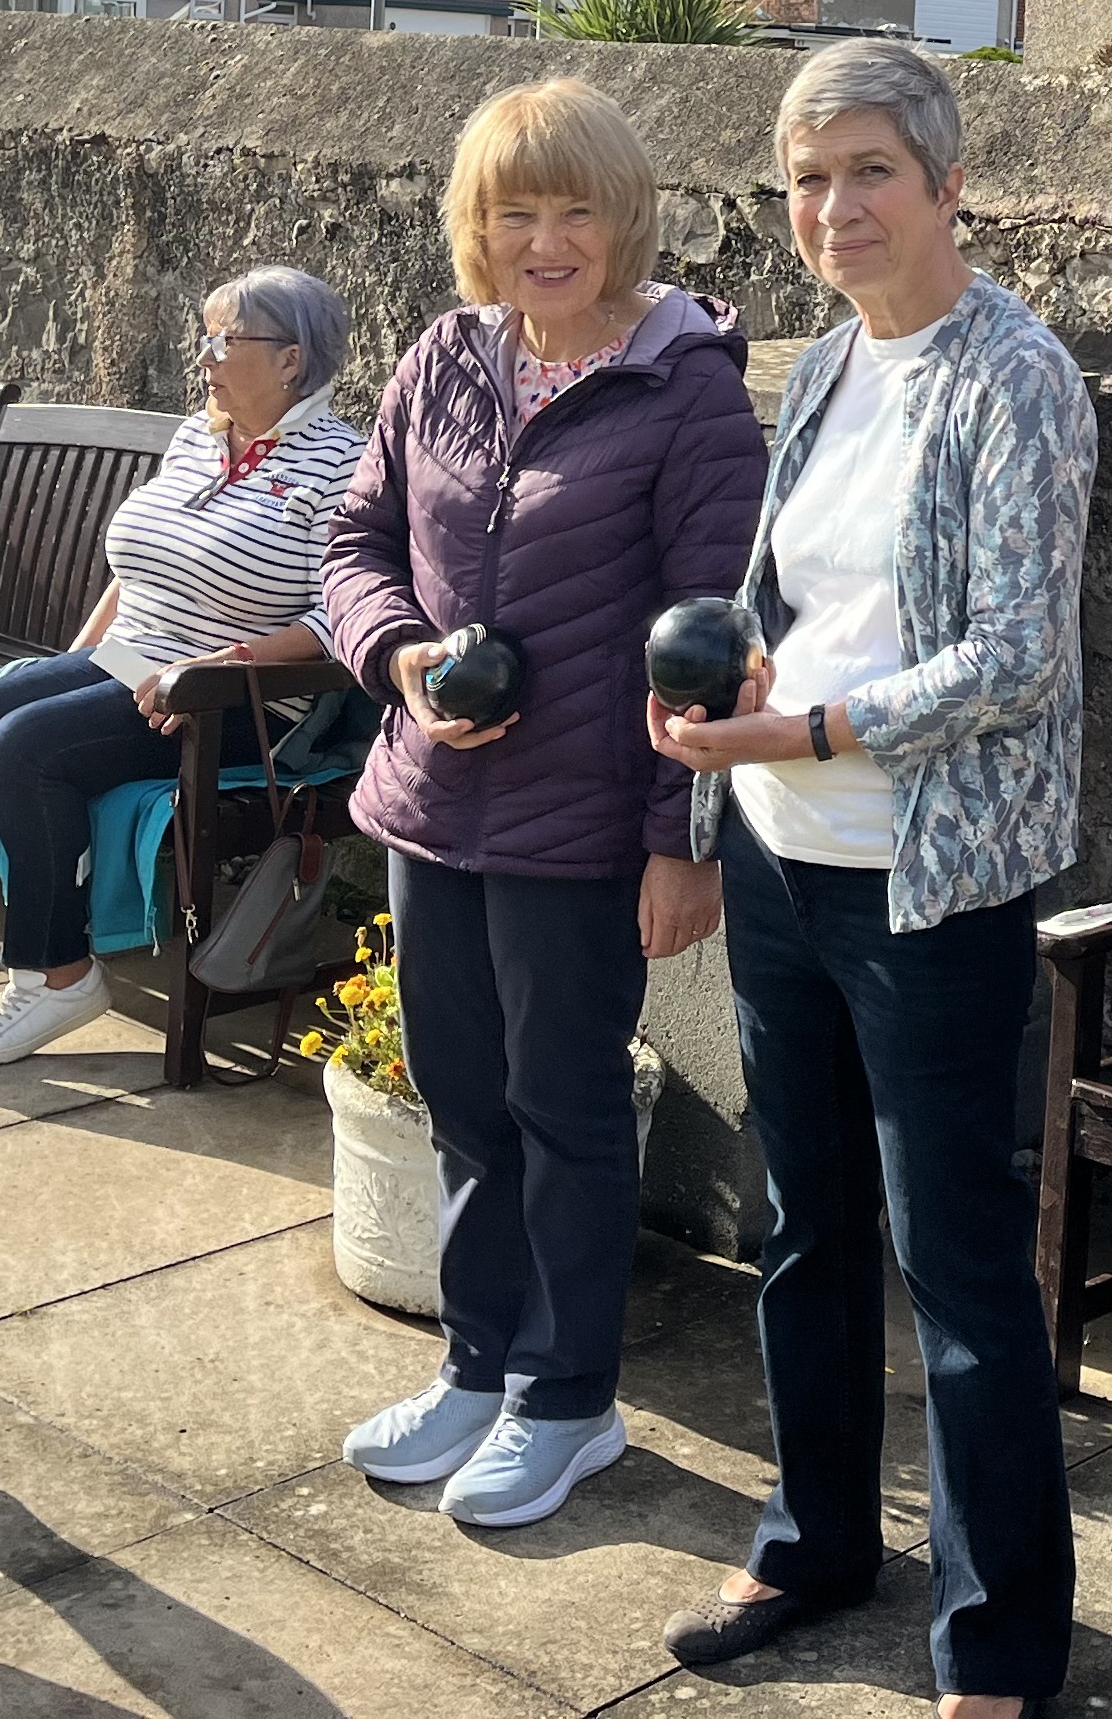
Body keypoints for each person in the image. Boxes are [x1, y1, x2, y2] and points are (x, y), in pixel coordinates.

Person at [645, 38, 1093, 1719]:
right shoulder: (829, 364)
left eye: (867, 172)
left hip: (930, 883)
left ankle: (997, 1643)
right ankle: (815, 1534)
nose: (832, 206)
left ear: (945, 180)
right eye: (805, 177)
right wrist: (715, 700)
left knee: (959, 1261)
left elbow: (1017, 658)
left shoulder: (1013, 374)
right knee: (803, 1223)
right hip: (782, 859)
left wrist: (806, 721)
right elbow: (787, 598)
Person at [324, 77, 766, 1530]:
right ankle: (479, 1368)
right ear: (479, 225)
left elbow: (716, 635)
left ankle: (572, 1402)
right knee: (461, 1097)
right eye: (517, 210)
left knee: (564, 1107)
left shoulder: (686, 387)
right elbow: (357, 541)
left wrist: (675, 843)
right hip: (434, 803)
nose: (548, 239)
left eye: (577, 209)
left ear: (625, 219)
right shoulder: (444, 359)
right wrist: (398, 658)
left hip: (586, 821)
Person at [0, 265, 364, 1069]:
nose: (203, 355)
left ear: (291, 361)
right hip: (130, 659)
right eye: (204, 336)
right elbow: (137, 567)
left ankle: (56, 975)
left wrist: (217, 666)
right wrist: (69, 663)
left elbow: (336, 614)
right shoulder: (198, 437)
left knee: (25, 749)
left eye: (223, 339)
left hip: (238, 701)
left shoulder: (343, 465)